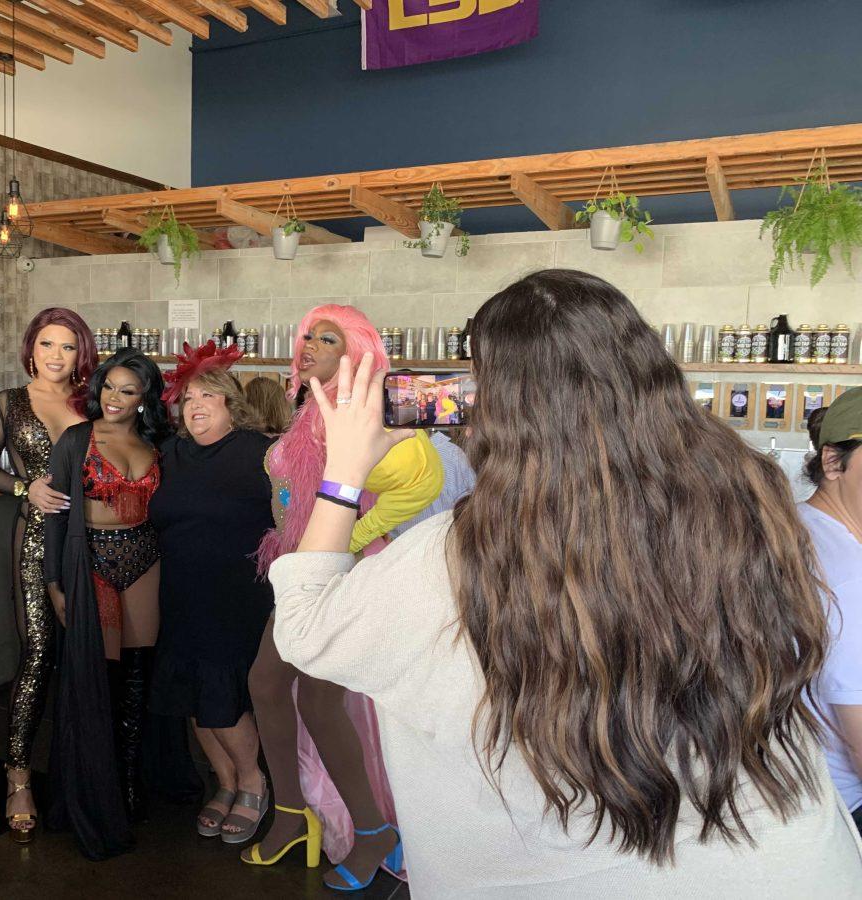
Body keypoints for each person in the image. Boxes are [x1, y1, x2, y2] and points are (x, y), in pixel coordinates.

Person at [270, 270, 862, 897]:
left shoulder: (453, 559)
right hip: (787, 862)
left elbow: (306, 628)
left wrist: (343, 473)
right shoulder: (751, 513)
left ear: (498, 403)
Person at [247, 305, 443, 890]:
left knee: (320, 700)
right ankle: (290, 812)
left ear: (356, 351)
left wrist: (347, 543)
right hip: (304, 571)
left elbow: (423, 480)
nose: (309, 343)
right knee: (266, 684)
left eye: (326, 337)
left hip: (345, 574)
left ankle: (372, 828)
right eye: (305, 333)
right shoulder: (310, 408)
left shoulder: (364, 412)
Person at [0, 307, 96, 842]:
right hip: (38, 539)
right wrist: (25, 488)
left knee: (88, 656)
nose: (55, 356)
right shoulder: (9, 402)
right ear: (31, 348)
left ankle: (86, 774)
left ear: (80, 354)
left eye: (67, 347)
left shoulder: (94, 402)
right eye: (47, 344)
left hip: (94, 539)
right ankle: (18, 777)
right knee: (40, 654)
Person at [44, 348, 170, 859]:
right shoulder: (77, 440)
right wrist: (55, 582)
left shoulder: (158, 442)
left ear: (145, 400)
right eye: (109, 387)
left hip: (145, 554)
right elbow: (54, 513)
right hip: (91, 559)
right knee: (104, 677)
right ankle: (103, 789)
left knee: (141, 674)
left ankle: (132, 780)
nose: (114, 399)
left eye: (128, 391)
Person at [148, 341, 276, 843]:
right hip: (181, 591)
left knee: (223, 695)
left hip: (234, 596)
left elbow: (293, 519)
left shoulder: (259, 453)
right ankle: (223, 783)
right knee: (193, 695)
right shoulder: (171, 454)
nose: (196, 405)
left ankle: (252, 781)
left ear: (230, 404)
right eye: (188, 397)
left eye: (209, 396)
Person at [801, 394, 862, 835]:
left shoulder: (793, 524)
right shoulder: (849, 576)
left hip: (797, 793)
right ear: (833, 462)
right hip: (846, 807)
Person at [388, 429, 475, 540]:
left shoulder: (384, 468)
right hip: (454, 545)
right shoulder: (452, 454)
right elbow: (474, 509)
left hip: (412, 549)